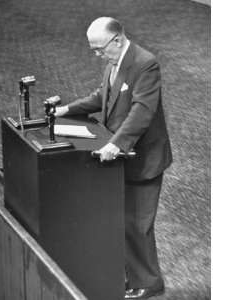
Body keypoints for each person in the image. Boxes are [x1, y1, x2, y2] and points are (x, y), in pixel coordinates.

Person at [51, 17, 173, 299]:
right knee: (123, 220)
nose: (97, 55)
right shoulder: (114, 60)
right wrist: (66, 109)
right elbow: (101, 97)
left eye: (99, 48)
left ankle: (149, 282)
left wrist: (116, 144)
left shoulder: (145, 63)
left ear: (117, 39)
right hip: (120, 156)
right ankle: (133, 274)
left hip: (143, 158)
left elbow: (143, 110)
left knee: (137, 224)